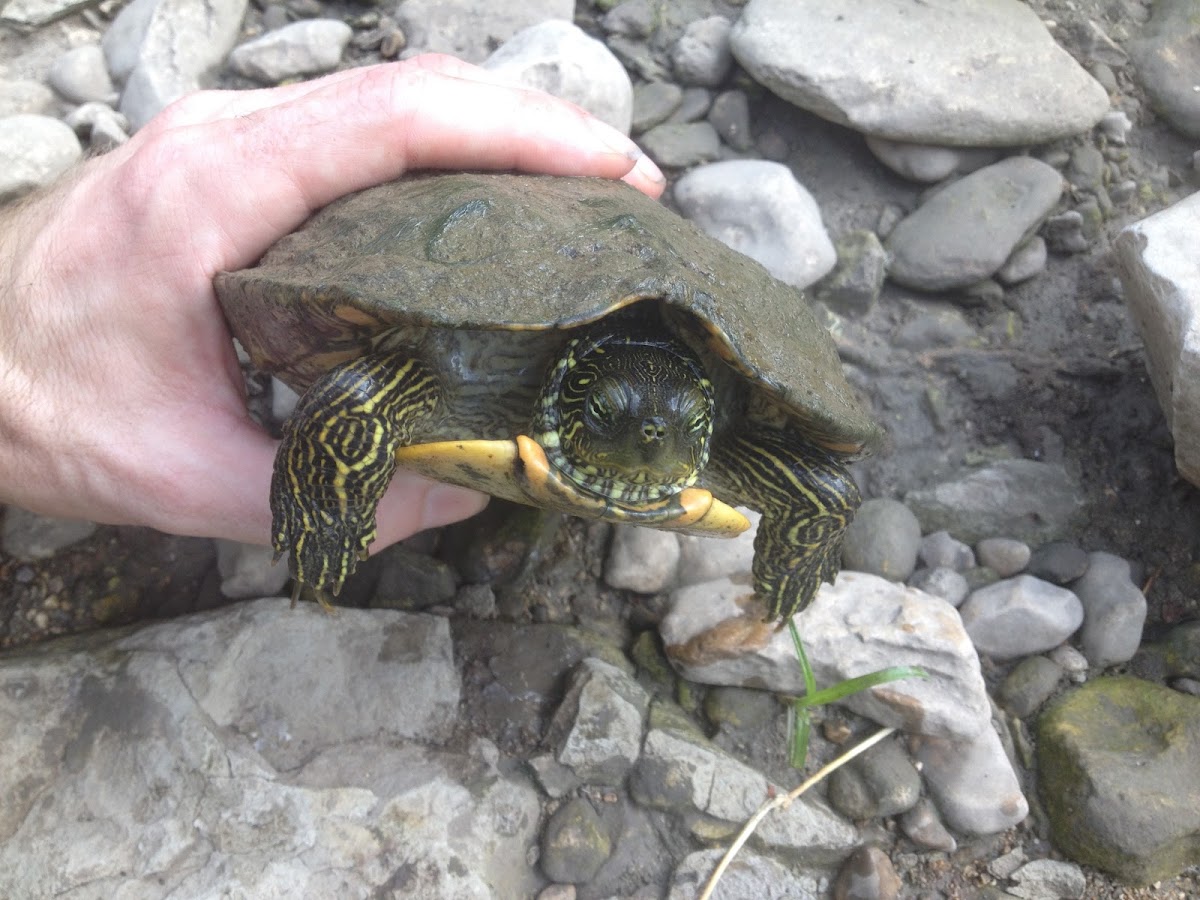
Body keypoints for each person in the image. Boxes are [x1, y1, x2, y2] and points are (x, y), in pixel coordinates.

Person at [0, 54, 665, 557]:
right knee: (369, 391)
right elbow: (362, 392)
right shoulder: (444, 362)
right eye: (603, 408)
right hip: (433, 335)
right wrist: (322, 510)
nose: (653, 435)